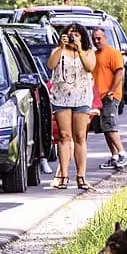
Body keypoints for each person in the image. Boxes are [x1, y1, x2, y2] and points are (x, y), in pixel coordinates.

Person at [46, 22, 96, 190]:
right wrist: (61, 46)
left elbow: (89, 67)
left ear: (82, 36)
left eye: (77, 34)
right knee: (64, 135)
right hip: (61, 98)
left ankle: (81, 176)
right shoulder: (58, 51)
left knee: (80, 136)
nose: (73, 36)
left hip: (81, 98)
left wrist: (79, 48)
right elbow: (50, 65)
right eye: (70, 33)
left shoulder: (88, 52)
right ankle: (64, 175)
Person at [92, 28, 127, 169]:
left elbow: (119, 73)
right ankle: (114, 156)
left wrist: (111, 91)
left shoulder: (113, 54)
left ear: (105, 38)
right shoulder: (94, 55)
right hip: (98, 98)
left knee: (110, 125)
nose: (96, 41)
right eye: (94, 39)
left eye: (99, 38)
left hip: (110, 96)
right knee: (105, 127)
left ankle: (123, 154)